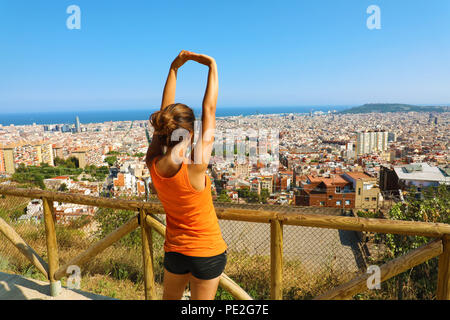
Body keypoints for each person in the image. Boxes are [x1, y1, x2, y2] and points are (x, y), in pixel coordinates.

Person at [145, 50, 227, 300]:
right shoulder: (196, 167)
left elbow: (165, 116)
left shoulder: (153, 163)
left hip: (175, 252)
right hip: (207, 251)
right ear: (191, 133)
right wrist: (212, 65)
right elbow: (209, 110)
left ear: (162, 130)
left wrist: (173, 68)